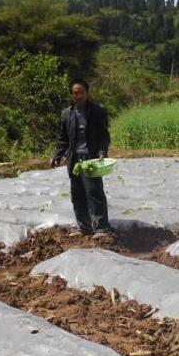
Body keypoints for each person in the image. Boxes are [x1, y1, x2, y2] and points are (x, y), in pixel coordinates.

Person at [50, 78, 111, 237]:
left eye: (81, 92)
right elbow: (63, 139)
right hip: (74, 159)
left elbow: (104, 136)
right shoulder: (66, 114)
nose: (79, 96)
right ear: (72, 94)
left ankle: (102, 227)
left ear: (87, 92)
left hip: (91, 158)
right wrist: (57, 156)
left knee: (94, 192)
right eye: (75, 93)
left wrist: (102, 152)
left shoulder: (97, 111)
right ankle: (84, 226)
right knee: (77, 194)